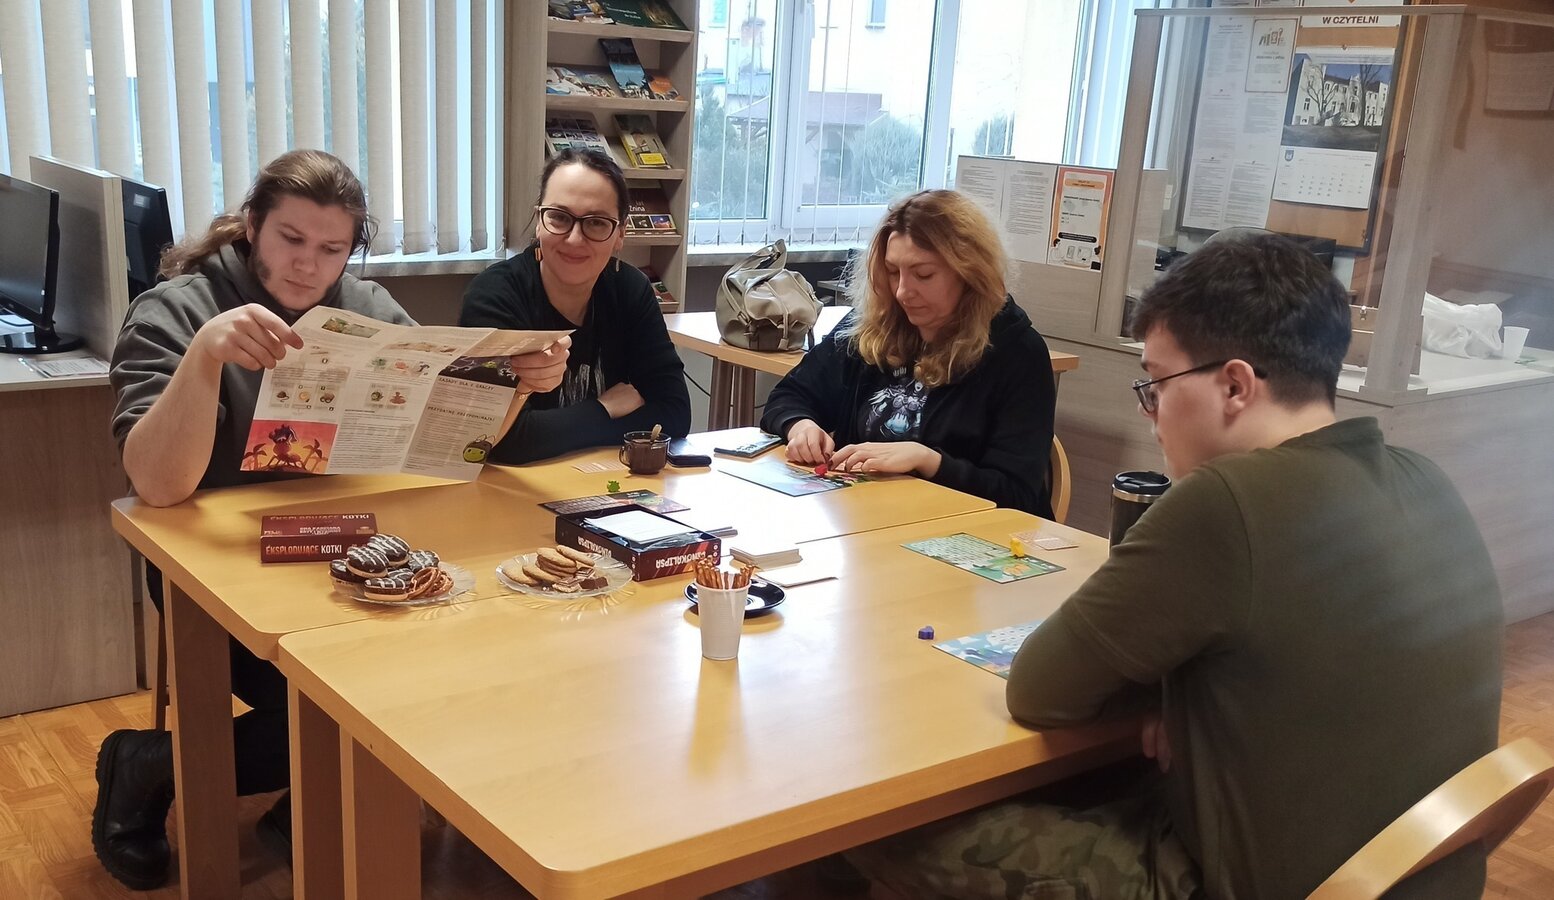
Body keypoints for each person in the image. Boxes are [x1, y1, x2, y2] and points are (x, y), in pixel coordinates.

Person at [846, 233, 1503, 899]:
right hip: (1417, 872)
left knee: (878, 821)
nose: (1152, 415)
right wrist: (1177, 693)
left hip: (1245, 884)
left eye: (1156, 385)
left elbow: (1040, 690)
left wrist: (1171, 693)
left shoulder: (1226, 501)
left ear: (1235, 385)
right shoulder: (1424, 478)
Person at [95, 149, 568, 890]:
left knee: (447, 671)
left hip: (344, 548)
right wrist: (206, 358)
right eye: (291, 238)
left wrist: (516, 386)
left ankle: (306, 800)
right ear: (252, 225)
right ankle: (146, 764)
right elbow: (157, 486)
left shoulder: (364, 306)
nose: (308, 265)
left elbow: (448, 442)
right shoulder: (176, 309)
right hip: (214, 564)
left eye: (332, 248)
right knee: (334, 704)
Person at [760, 189, 1057, 517]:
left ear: (969, 272)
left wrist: (929, 461)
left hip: (965, 529)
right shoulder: (871, 327)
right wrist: (800, 426)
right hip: (871, 520)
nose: (903, 291)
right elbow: (789, 396)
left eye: (923, 274)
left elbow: (1017, 495)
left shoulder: (1018, 352)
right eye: (892, 271)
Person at [459, 148, 690, 463]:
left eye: (596, 223)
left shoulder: (631, 290)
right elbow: (498, 440)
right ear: (539, 222)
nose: (574, 239)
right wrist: (603, 409)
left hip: (606, 477)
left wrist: (552, 432)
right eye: (559, 217)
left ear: (620, 234)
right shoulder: (495, 296)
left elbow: (674, 415)